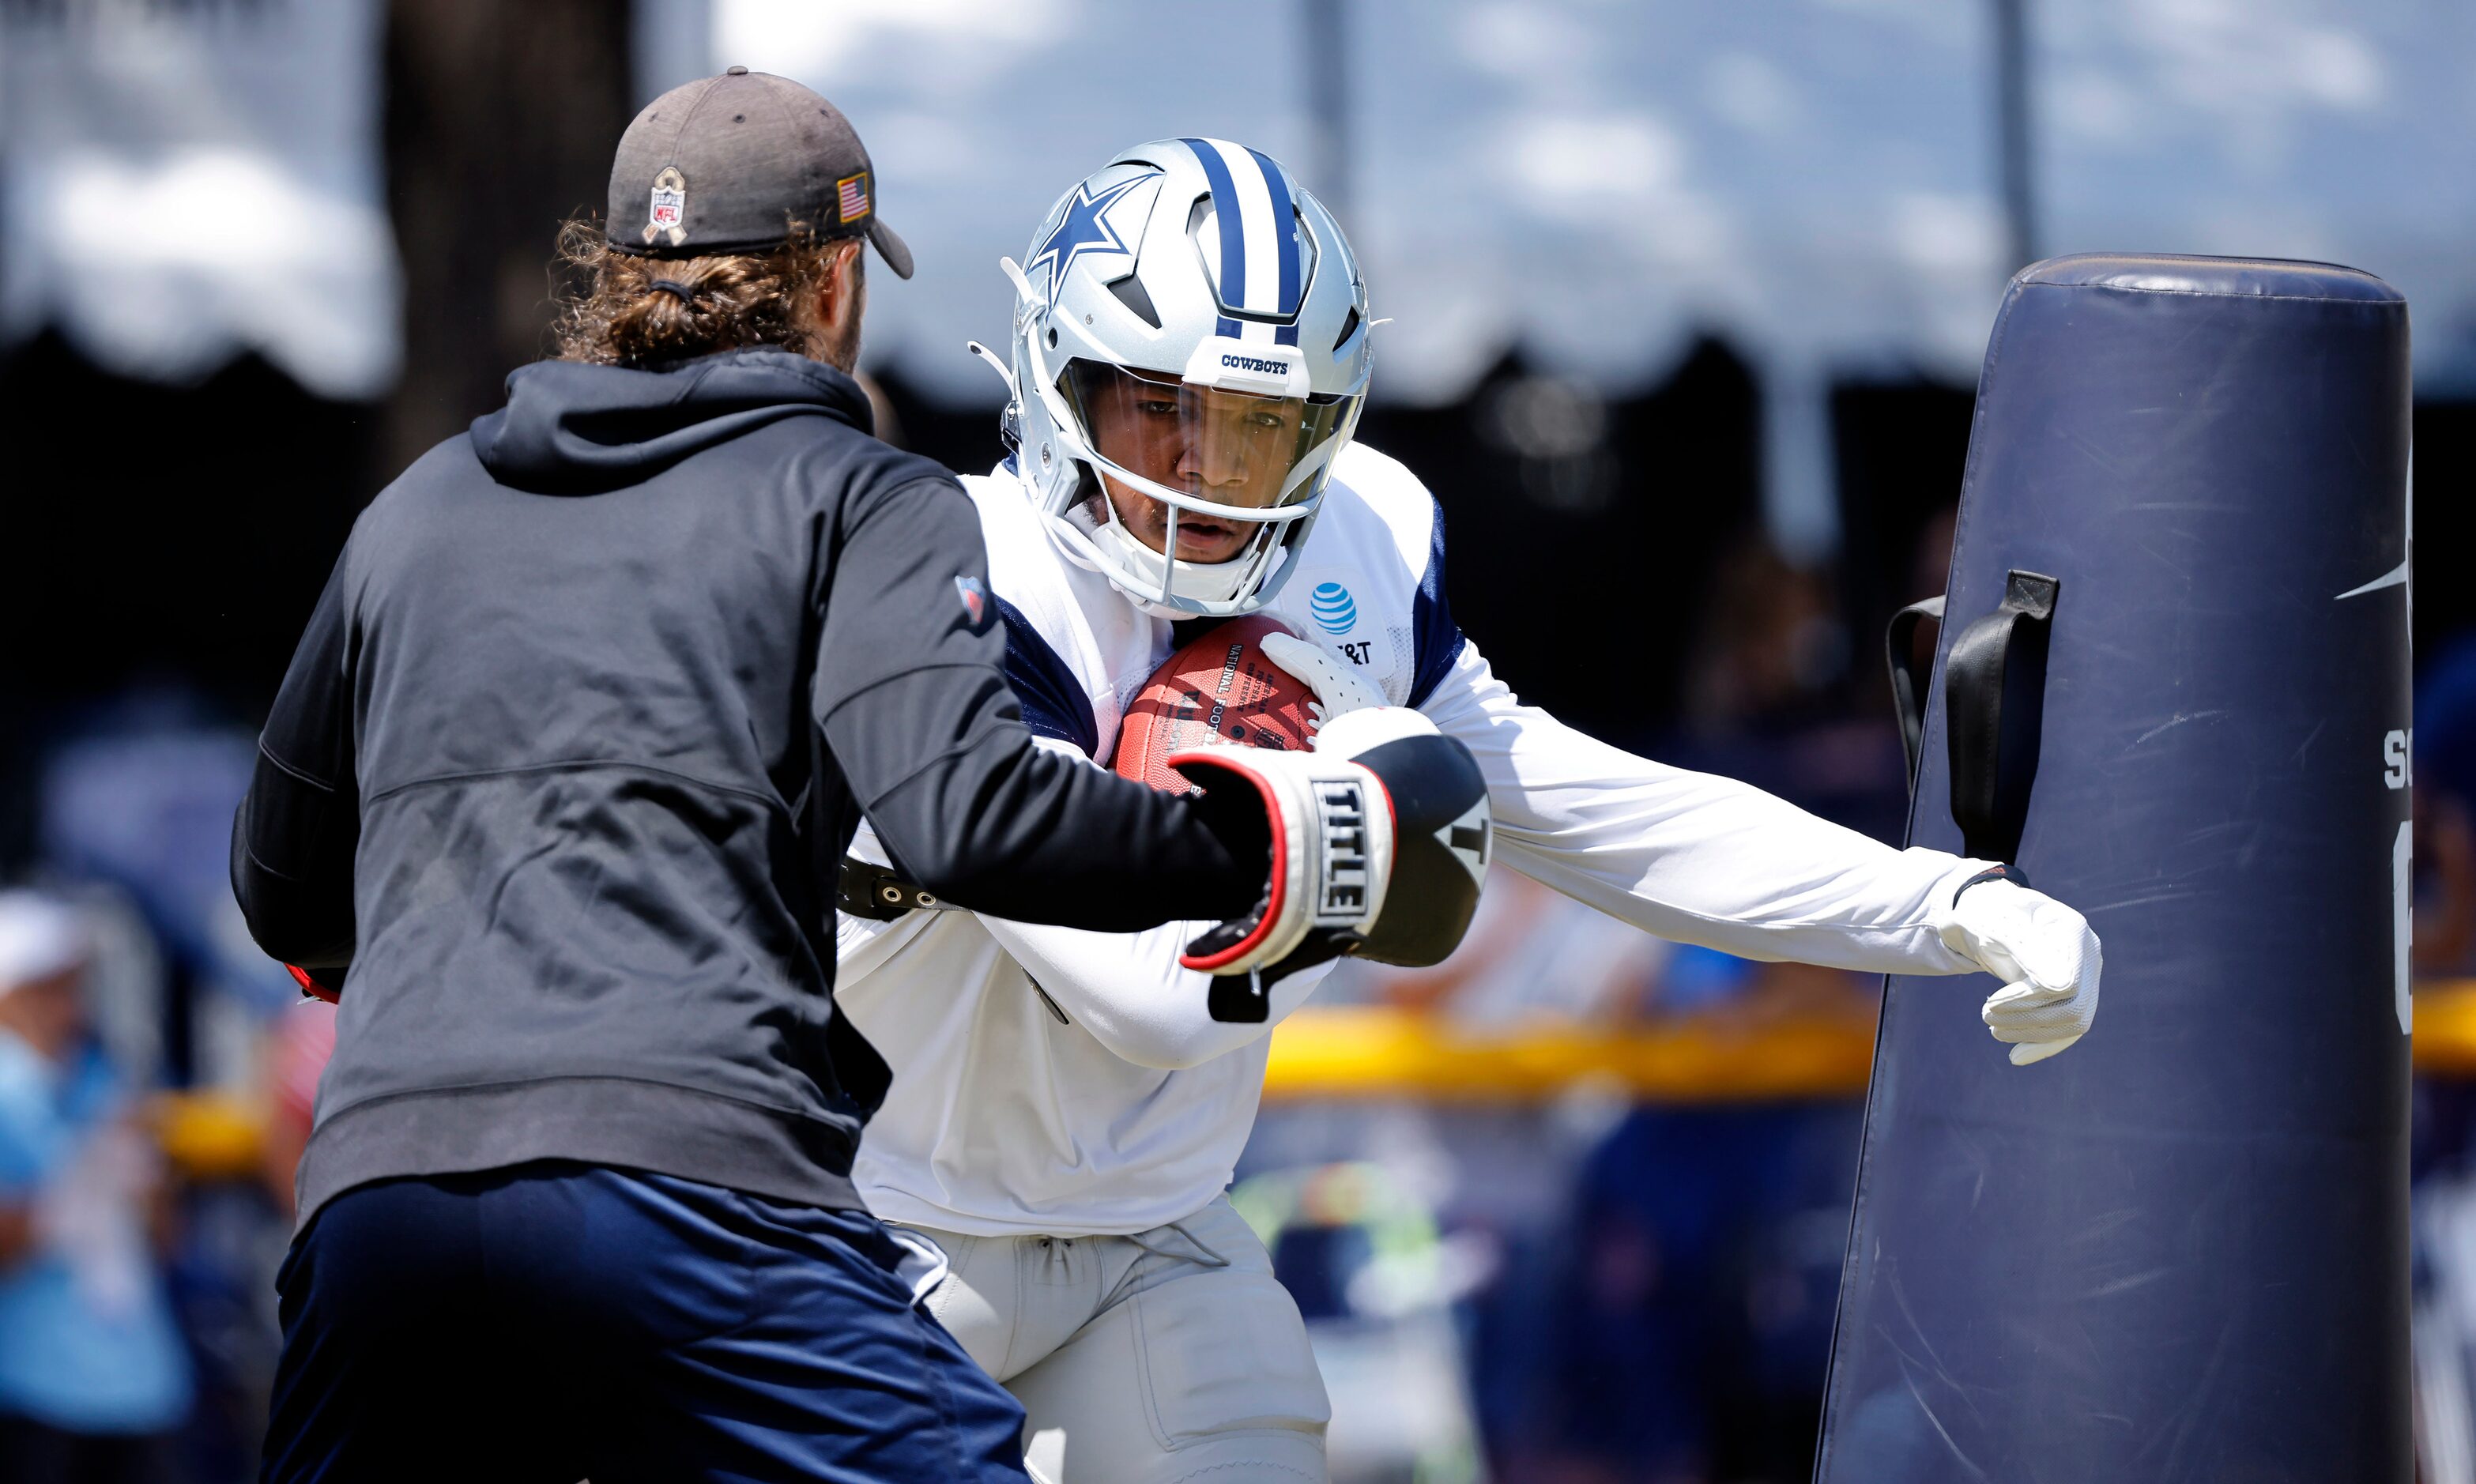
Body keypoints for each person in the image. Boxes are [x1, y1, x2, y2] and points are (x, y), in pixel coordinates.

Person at [230, 80, 1479, 1484]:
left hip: (379, 1207)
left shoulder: (416, 508)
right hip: (694, 1182)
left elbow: (280, 885)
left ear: (621, 279)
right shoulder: (858, 493)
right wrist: (1262, 843)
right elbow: (971, 817)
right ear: (833, 284)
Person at [831, 137, 2105, 1482]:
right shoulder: (960, 571)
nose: (1203, 474)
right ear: (1057, 375)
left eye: (1256, 426)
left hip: (1148, 1229)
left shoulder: (1354, 544)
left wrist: (1937, 901)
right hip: (882, 1235)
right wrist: (1342, 840)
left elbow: (1592, 808)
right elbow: (1140, 989)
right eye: (1158, 406)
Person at [0, 891, 194, 1484]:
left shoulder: (102, 1078)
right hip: (34, 1392)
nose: (67, 1007)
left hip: (141, 1387)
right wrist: (72, 1202)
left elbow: (162, 1243)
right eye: (48, 987)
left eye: (71, 985)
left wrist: (146, 1184)